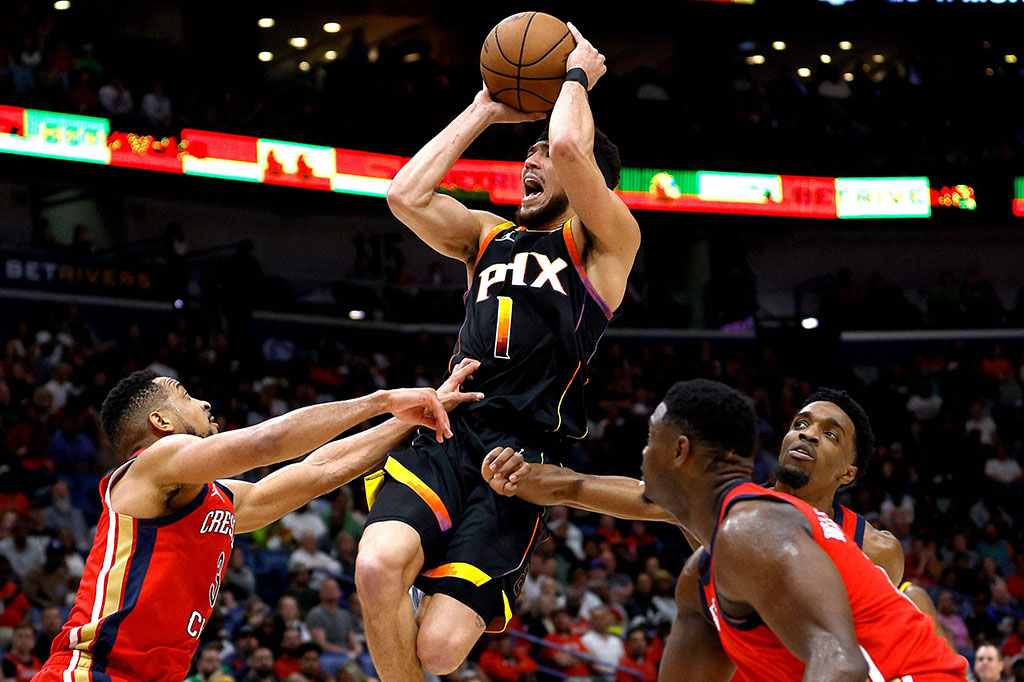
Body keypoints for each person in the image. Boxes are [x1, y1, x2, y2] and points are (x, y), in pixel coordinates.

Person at [355, 21, 640, 682]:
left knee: (436, 651)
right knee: (375, 567)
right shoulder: (487, 235)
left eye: (542, 155)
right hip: (448, 433)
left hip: (518, 463)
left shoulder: (606, 246)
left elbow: (572, 143)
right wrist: (483, 109)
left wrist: (576, 74)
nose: (531, 161)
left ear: (593, 179)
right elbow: (404, 195)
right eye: (529, 152)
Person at [33, 360, 483, 682]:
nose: (205, 403)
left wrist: (413, 420)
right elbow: (265, 443)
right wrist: (382, 401)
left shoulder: (218, 499)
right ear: (160, 421)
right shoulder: (154, 463)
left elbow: (318, 472)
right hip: (90, 670)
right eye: (187, 397)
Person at [494, 380, 966, 681]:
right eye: (800, 423)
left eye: (828, 434)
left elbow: (848, 656)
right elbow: (580, 485)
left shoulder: (870, 548)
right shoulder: (705, 560)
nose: (806, 434)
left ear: (848, 472)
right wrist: (509, 473)